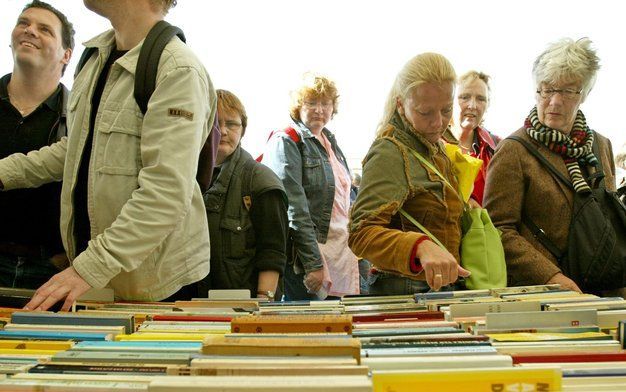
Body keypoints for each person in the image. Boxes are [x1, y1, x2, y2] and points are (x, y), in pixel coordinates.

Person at [0, 0, 215, 310]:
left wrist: (87, 268)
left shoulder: (178, 69)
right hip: (98, 281)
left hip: (153, 289)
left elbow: (166, 193)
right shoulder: (94, 57)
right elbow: (75, 149)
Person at [484, 38, 617, 292]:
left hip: (603, 288)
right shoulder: (514, 150)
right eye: (547, 89)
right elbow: (498, 229)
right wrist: (551, 277)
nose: (555, 101)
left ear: (584, 95)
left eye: (567, 92)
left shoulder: (601, 146)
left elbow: (607, 218)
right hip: (544, 295)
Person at [349, 53, 471, 295]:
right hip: (405, 292)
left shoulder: (435, 146)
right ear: (400, 105)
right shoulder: (390, 152)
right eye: (425, 113)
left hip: (435, 290)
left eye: (447, 110)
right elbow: (360, 233)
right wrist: (419, 246)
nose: (439, 122)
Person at [262, 73, 360, 300]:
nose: (319, 109)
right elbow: (295, 209)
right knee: (308, 329)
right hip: (307, 262)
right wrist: (313, 263)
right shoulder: (287, 141)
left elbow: (347, 200)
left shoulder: (330, 142)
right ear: (298, 106)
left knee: (340, 328)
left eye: (325, 103)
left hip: (340, 257)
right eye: (311, 102)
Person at [0, 1, 74, 289]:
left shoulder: (81, 118)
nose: (30, 31)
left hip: (51, 270)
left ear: (66, 55)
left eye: (45, 29)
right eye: (24, 23)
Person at [199, 89, 287, 301]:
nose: (223, 130)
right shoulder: (183, 177)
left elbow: (272, 252)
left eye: (231, 124)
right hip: (190, 305)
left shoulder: (261, 181)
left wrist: (262, 304)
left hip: (243, 306)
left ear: (243, 129)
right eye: (215, 122)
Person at [446, 71, 501, 206]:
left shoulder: (498, 147)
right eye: (464, 97)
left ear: (487, 105)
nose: (473, 105)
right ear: (449, 102)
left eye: (481, 99)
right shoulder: (432, 144)